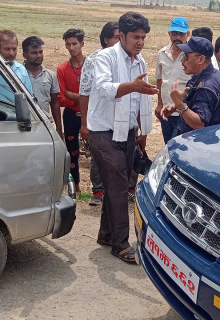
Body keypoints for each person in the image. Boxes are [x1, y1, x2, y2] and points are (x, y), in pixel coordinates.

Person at [87, 12, 158, 263]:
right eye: (136, 37)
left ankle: (106, 235)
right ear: (121, 35)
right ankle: (120, 244)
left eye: (144, 37)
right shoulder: (104, 58)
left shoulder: (139, 62)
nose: (140, 42)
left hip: (127, 133)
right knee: (118, 187)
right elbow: (105, 89)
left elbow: (140, 99)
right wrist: (133, 86)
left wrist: (141, 132)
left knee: (115, 186)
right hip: (103, 132)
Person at [79, 21, 120, 206]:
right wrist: (84, 123)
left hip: (119, 118)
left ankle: (117, 191)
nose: (120, 42)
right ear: (106, 39)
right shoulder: (93, 60)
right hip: (99, 118)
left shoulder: (126, 60)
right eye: (116, 38)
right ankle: (98, 191)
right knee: (98, 155)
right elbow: (84, 92)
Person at [161, 37, 220, 135]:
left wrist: (180, 105)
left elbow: (199, 124)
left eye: (186, 57)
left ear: (201, 59)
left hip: (197, 144)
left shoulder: (206, 86)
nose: (182, 60)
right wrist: (175, 106)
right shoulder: (213, 74)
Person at [57, 28, 86, 194]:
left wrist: (73, 95)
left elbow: (95, 94)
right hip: (70, 115)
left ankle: (99, 188)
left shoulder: (91, 66)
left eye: (74, 43)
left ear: (82, 44)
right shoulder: (62, 69)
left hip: (89, 114)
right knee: (72, 151)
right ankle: (75, 183)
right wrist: (83, 98)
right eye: (68, 44)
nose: (71, 47)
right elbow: (61, 99)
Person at [154, 17, 191, 144]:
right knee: (168, 146)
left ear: (188, 34)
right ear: (169, 34)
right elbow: (160, 80)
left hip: (184, 111)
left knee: (177, 147)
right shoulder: (162, 53)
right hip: (166, 112)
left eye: (181, 34)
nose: (178, 37)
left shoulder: (191, 55)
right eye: (174, 33)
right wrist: (159, 104)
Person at [22, 36, 63, 139]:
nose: (39, 55)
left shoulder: (50, 75)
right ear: (24, 55)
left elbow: (54, 102)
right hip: (23, 125)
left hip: (44, 124)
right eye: (34, 53)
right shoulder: (17, 73)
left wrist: (58, 128)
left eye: (41, 52)